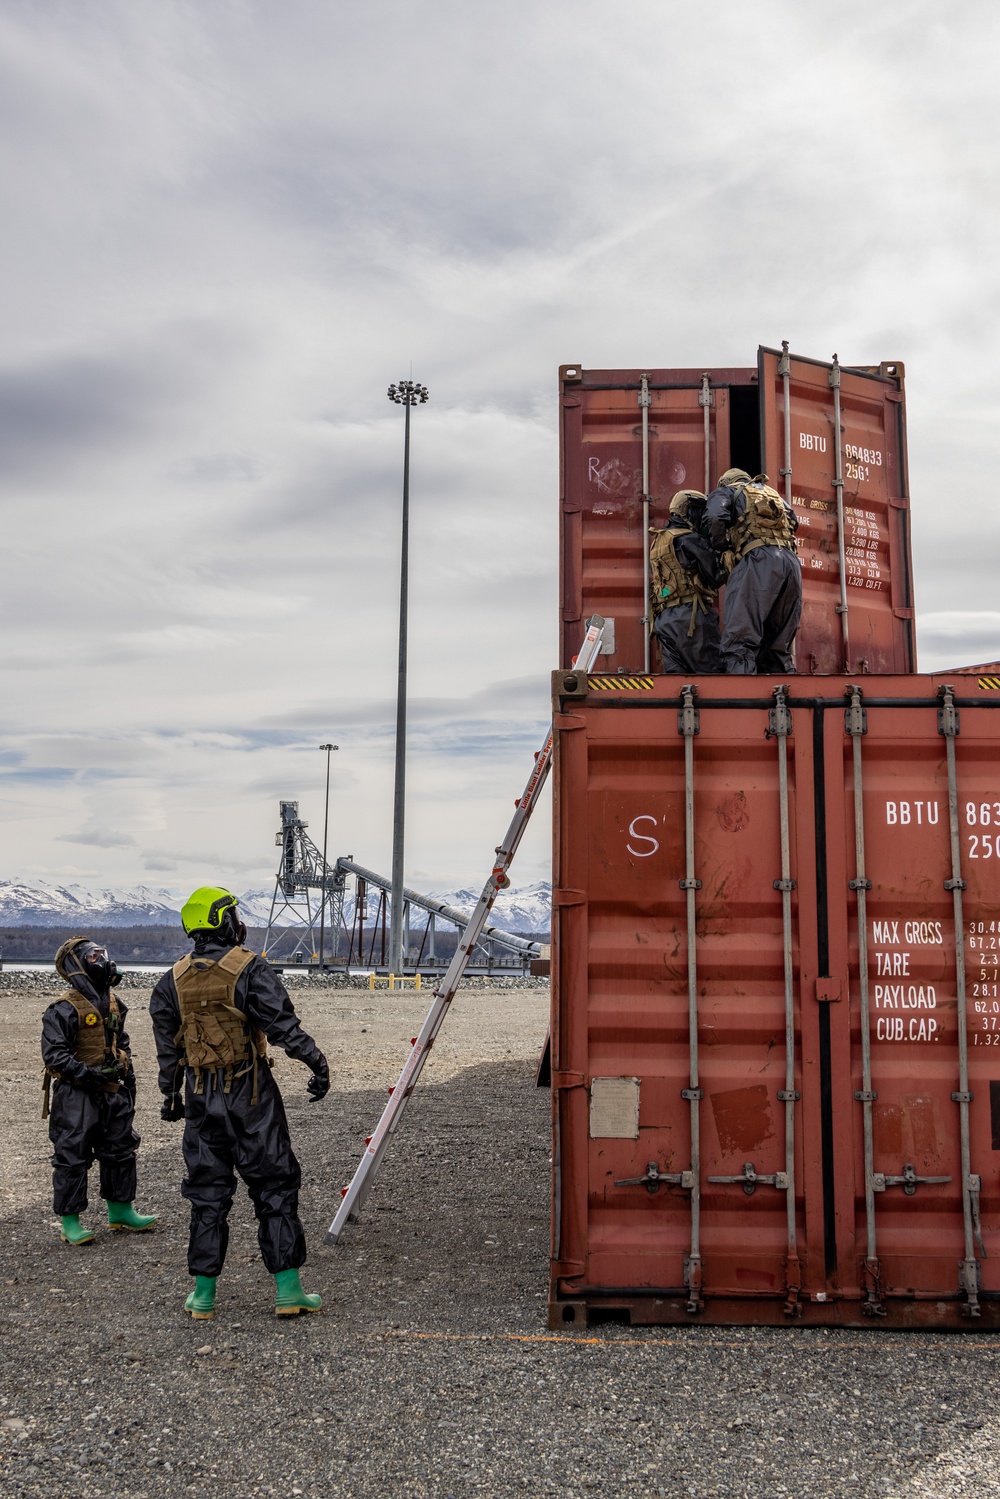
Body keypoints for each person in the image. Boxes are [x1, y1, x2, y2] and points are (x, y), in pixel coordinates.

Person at [149, 886, 331, 1320]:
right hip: (251, 1094)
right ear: (225, 920)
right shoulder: (250, 969)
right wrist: (316, 1063)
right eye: (233, 912)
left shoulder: (169, 981)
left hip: (199, 1095)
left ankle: (204, 1296)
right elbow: (282, 1025)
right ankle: (288, 1291)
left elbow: (168, 1051)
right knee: (275, 1186)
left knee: (207, 1193)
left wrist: (170, 1096)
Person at [42, 937, 157, 1245]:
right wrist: (88, 1074)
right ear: (77, 964)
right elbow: (54, 1055)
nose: (103, 959)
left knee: (120, 1149)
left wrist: (126, 1076)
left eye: (103, 953)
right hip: (76, 1094)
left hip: (113, 1091)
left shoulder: (115, 1003)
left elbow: (122, 1041)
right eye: (93, 956)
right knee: (72, 1154)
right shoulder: (63, 1009)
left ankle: (120, 1211)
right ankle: (70, 1222)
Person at [705, 468, 802, 674]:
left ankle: (744, 699)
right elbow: (794, 521)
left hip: (759, 561)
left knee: (740, 642)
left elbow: (714, 516)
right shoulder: (773, 494)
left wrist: (723, 548)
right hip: (790, 563)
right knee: (777, 647)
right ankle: (784, 699)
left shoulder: (727, 491)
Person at [649, 489, 724, 673]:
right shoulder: (689, 539)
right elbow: (716, 577)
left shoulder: (659, 541)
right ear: (689, 511)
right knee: (713, 679)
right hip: (691, 620)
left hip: (665, 620)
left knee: (677, 683)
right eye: (700, 512)